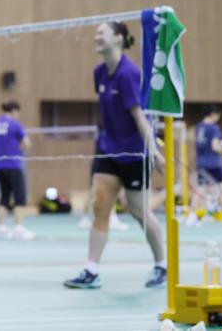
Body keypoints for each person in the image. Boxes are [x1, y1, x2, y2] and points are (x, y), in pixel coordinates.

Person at [64, 21, 166, 290]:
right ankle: (91, 270)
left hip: (135, 154)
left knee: (139, 211)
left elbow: (139, 116)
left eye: (102, 33)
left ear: (118, 38)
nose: (96, 37)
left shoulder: (129, 74)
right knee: (100, 207)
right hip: (109, 150)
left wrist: (154, 152)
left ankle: (162, 265)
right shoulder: (99, 72)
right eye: (96, 33)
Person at [186, 105, 222, 226]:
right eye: (218, 116)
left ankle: (191, 216)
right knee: (221, 190)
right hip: (214, 164)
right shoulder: (214, 128)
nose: (218, 118)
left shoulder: (198, 127)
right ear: (213, 114)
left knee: (200, 190)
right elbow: (214, 146)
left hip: (201, 163)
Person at [0, 101, 35, 240]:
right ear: (14, 111)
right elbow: (27, 143)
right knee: (19, 197)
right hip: (14, 165)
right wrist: (20, 150)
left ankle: (1, 228)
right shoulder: (15, 124)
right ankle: (19, 228)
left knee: (4, 198)